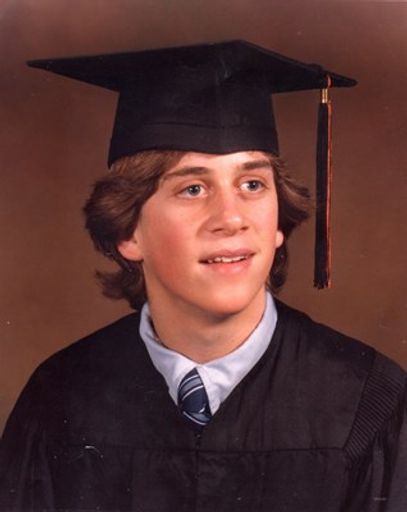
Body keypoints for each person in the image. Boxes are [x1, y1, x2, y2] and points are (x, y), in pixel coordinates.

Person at [0, 40, 406, 512]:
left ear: (279, 222)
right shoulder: (59, 397)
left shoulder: (368, 401)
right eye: (193, 188)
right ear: (127, 232)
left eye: (252, 184)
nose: (231, 218)